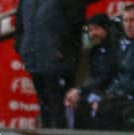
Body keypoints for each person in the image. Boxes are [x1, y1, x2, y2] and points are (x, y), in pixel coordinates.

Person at [14, 0, 86, 128]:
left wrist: (63, 50)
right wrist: (22, 48)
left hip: (58, 61)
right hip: (33, 58)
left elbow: (76, 22)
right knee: (44, 104)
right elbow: (19, 24)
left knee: (59, 107)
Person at [87, 3, 134, 129]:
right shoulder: (122, 44)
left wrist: (113, 97)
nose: (128, 25)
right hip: (119, 93)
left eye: (132, 20)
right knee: (88, 102)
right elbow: (116, 74)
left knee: (105, 108)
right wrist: (107, 94)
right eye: (125, 20)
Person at [64, 13, 119, 129]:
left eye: (96, 29)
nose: (92, 33)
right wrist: (80, 90)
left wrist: (81, 91)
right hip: (97, 89)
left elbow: (106, 77)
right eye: (90, 30)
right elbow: (92, 77)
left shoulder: (114, 48)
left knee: (90, 103)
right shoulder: (94, 50)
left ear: (106, 29)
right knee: (71, 100)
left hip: (112, 91)